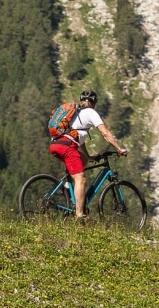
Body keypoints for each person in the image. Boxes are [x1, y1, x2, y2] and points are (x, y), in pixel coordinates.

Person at [50, 88, 126, 219]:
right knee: (81, 179)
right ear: (94, 102)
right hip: (67, 146)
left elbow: (79, 138)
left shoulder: (75, 113)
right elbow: (105, 133)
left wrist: (88, 156)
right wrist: (119, 148)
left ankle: (68, 188)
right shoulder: (91, 112)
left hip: (56, 144)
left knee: (83, 160)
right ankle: (79, 215)